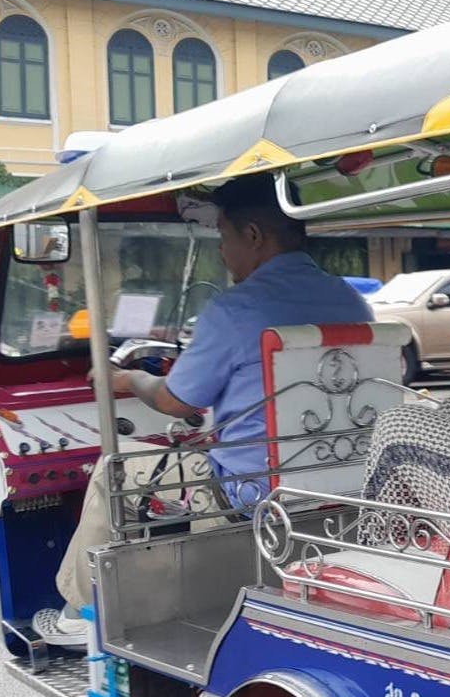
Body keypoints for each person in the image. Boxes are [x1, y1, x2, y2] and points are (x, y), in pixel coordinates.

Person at [33, 173, 373, 646]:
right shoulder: (351, 299)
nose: (220, 251)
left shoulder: (236, 310)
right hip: (344, 482)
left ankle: (80, 609)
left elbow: (175, 401)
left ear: (253, 235)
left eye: (223, 236)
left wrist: (131, 379)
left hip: (250, 496)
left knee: (114, 469)